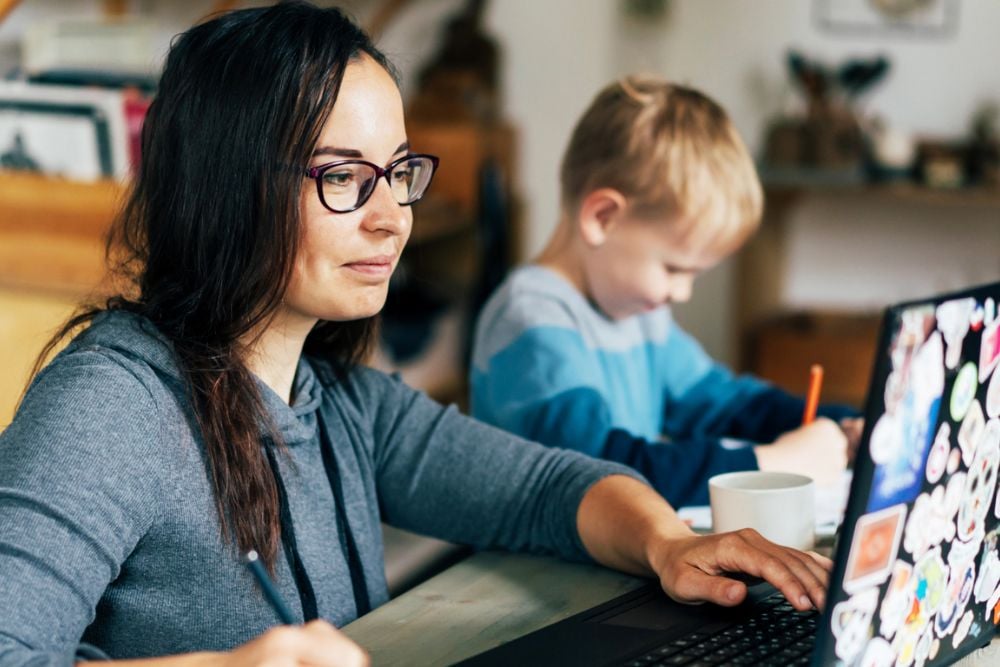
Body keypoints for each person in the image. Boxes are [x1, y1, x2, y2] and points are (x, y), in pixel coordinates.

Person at [0, 5, 833, 666]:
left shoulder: (343, 404)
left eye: (398, 172)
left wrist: (668, 542)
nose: (392, 215)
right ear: (227, 189)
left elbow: (543, 487)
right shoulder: (111, 404)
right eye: (342, 177)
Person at [470, 76, 863, 508]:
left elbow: (724, 403)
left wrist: (842, 424)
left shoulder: (638, 313)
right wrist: (768, 463)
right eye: (675, 268)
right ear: (602, 217)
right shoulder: (532, 322)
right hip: (526, 569)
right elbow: (605, 473)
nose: (683, 292)